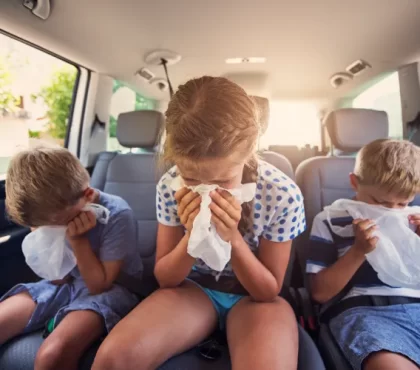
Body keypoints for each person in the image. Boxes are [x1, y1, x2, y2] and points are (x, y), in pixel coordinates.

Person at [92, 76, 306, 370]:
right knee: (111, 360)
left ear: (249, 151)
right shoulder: (170, 186)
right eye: (192, 179)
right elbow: (166, 278)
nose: (208, 191)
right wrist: (193, 235)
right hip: (193, 289)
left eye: (222, 180)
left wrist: (232, 238)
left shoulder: (282, 194)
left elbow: (268, 290)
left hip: (254, 299)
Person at [0, 147, 142, 370]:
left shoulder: (117, 215)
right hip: (68, 283)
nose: (52, 229)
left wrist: (79, 241)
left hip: (113, 289)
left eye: (59, 222)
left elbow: (99, 286)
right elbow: (57, 278)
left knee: (51, 355)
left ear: (86, 195)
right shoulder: (48, 215)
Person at [306, 139, 420, 370]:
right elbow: (319, 293)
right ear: (354, 183)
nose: (391, 211)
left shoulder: (414, 220)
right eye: (380, 201)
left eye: (403, 203)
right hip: (365, 311)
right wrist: (358, 251)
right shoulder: (331, 220)